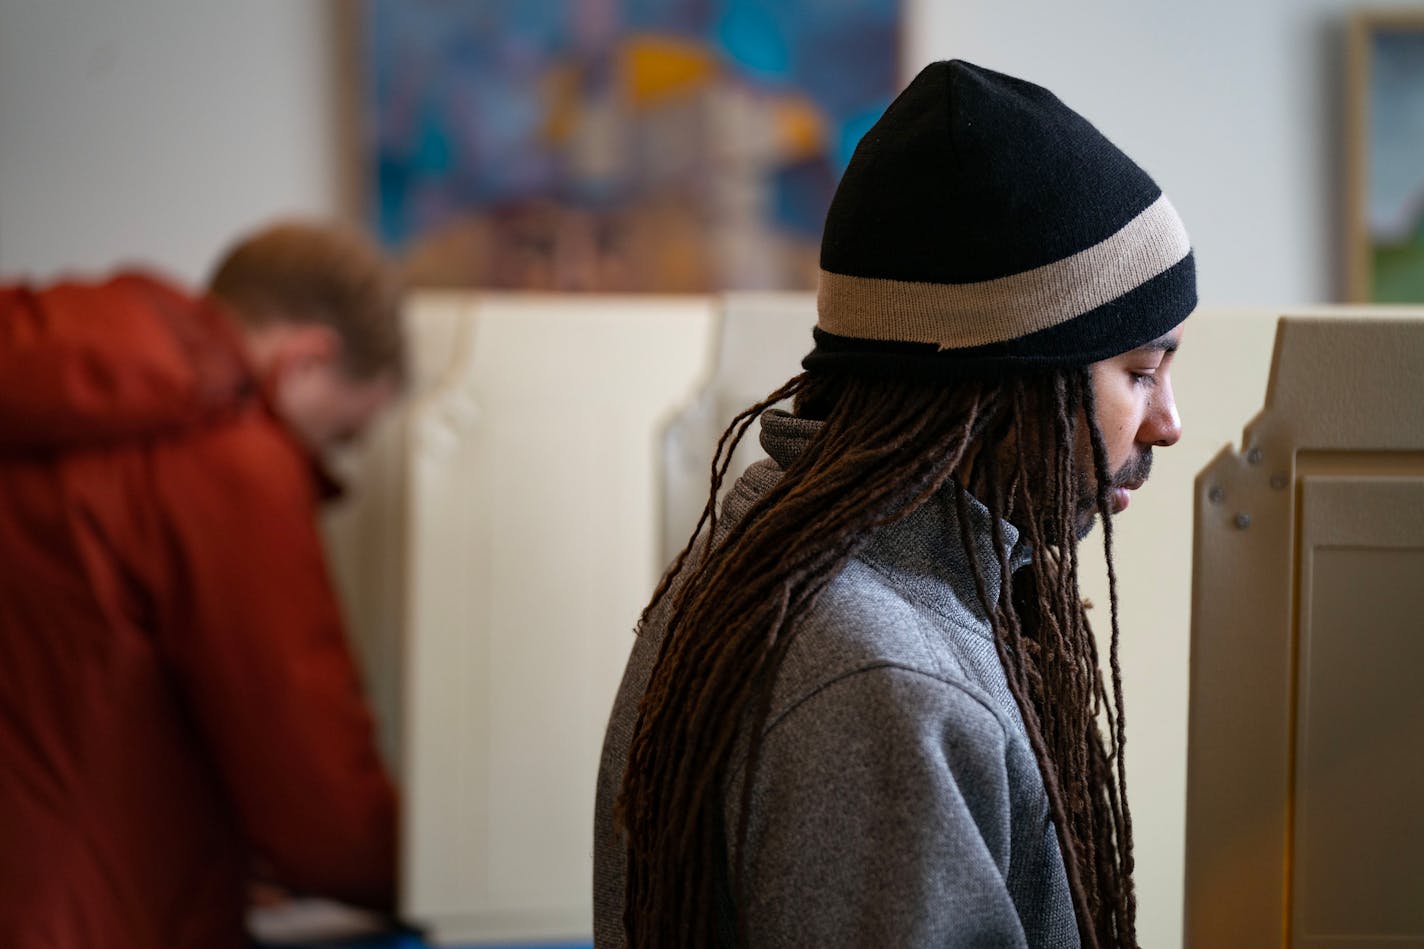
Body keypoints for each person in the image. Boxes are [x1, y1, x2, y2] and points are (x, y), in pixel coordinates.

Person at [594, 60, 1195, 948]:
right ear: (1000, 381)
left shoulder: (769, 551)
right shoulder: (882, 685)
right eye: (1139, 373)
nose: (1168, 424)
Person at [0, 221, 403, 948]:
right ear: (305, 360)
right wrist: (436, 871)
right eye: (338, 437)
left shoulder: (40, 387)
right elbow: (315, 800)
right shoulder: (225, 454)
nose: (319, 470)